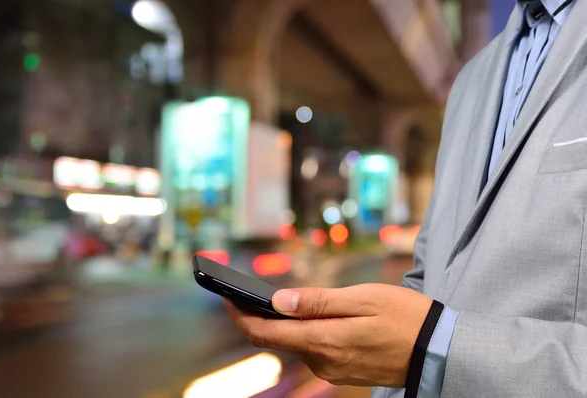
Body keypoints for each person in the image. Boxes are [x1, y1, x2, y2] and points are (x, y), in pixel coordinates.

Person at [224, 1, 587, 396]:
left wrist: (432, 347)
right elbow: (427, 279)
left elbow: (428, 340)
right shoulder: (471, 79)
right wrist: (375, 344)